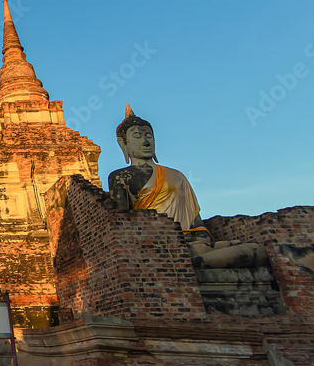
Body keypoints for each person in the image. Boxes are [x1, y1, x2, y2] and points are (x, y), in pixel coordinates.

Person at [108, 105, 266, 269]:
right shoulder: (120, 177)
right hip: (157, 243)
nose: (145, 142)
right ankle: (190, 263)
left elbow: (196, 221)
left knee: (256, 250)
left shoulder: (177, 176)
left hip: (192, 243)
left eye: (148, 136)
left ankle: (191, 262)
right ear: (123, 144)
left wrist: (202, 235)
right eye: (137, 136)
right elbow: (122, 222)